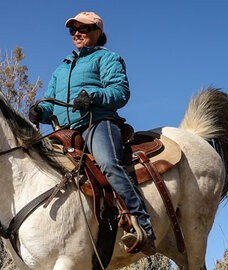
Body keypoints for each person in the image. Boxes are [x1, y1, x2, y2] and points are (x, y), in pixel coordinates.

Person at [29, 11, 155, 254]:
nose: (77, 33)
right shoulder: (61, 68)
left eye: (83, 28)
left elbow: (120, 92)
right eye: (72, 30)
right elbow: (51, 102)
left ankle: (143, 226)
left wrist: (93, 96)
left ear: (97, 32)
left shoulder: (107, 58)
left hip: (98, 122)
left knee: (108, 163)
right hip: (65, 132)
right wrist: (40, 111)